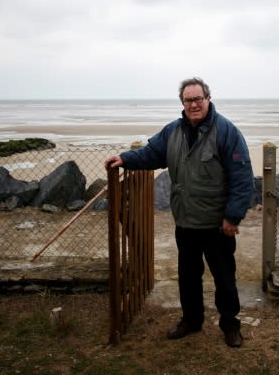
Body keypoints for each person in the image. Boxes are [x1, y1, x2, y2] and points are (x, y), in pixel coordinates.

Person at [105, 77, 254, 348]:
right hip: (185, 222)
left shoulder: (227, 132)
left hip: (216, 224)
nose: (194, 104)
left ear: (208, 99)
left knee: (225, 279)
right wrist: (125, 158)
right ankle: (191, 320)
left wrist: (232, 217)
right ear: (182, 103)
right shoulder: (172, 132)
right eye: (189, 100)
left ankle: (231, 326)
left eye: (199, 99)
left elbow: (242, 177)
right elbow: (151, 154)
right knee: (187, 277)